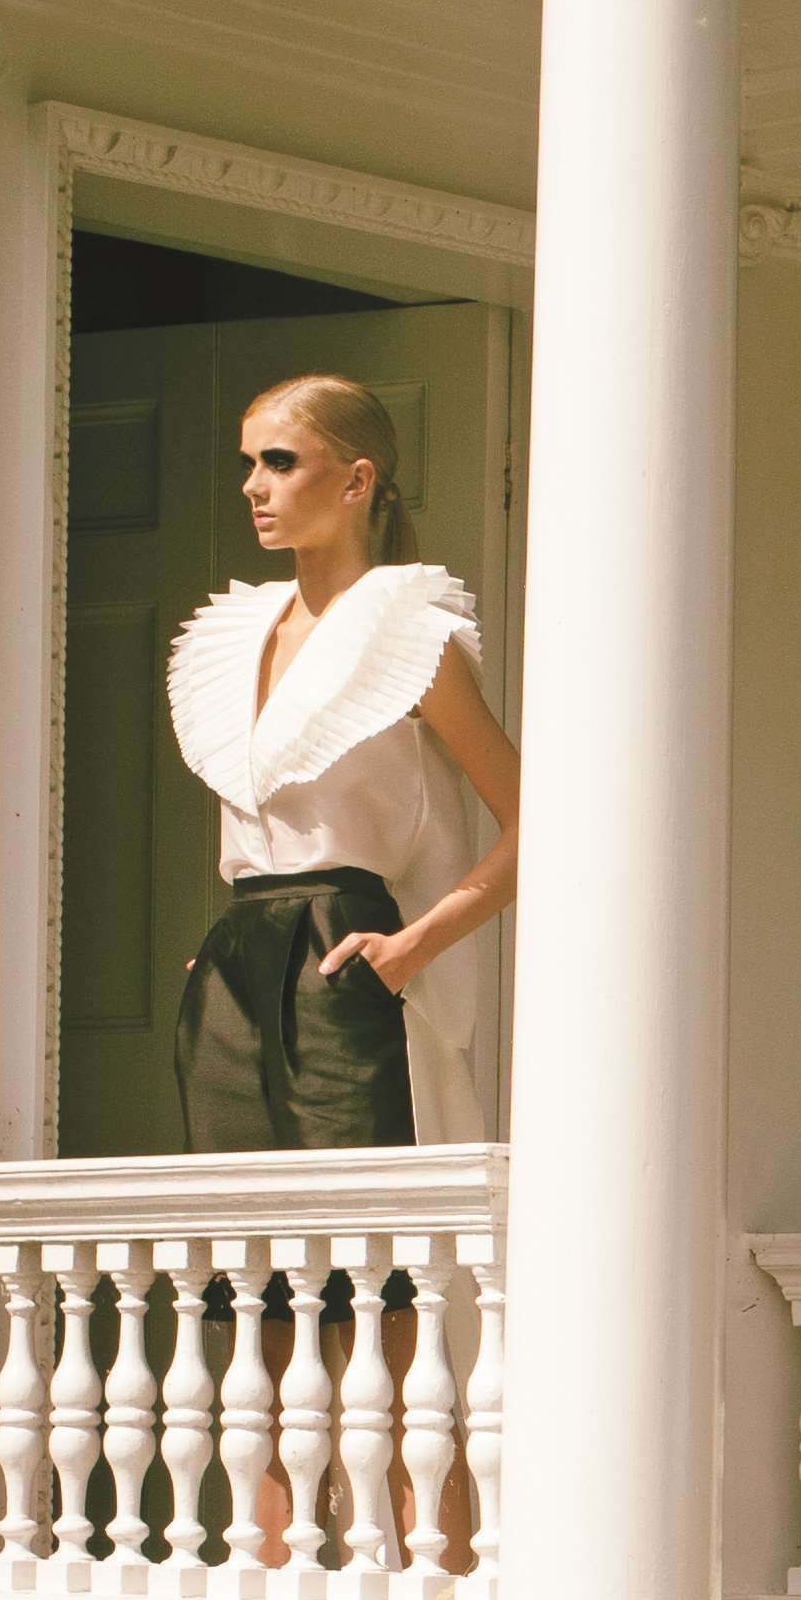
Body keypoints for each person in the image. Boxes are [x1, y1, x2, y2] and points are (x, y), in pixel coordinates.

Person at [161, 374, 519, 1151]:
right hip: (233, 960)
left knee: (359, 1241)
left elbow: (536, 826)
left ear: (357, 479)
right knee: (239, 1247)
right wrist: (234, 952)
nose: (254, 485)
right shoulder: (241, 632)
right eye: (250, 462)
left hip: (344, 949)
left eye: (281, 461)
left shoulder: (408, 635)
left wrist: (410, 948)